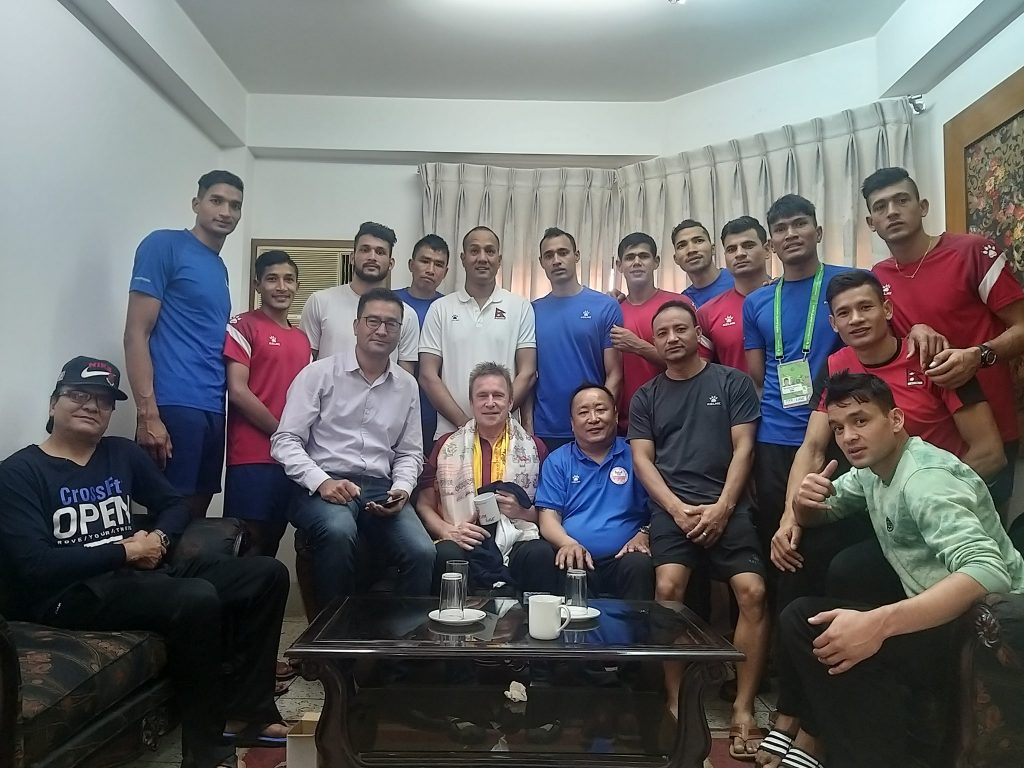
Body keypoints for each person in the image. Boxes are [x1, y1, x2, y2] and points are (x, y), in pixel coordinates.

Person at [0, 356, 290, 768]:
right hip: (67, 596)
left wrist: (156, 539)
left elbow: (174, 504)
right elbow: (34, 565)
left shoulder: (120, 454)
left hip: (133, 574)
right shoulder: (19, 473)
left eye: (103, 401)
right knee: (194, 598)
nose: (91, 406)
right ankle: (206, 751)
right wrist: (126, 551)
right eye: (78, 395)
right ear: (53, 404)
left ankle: (248, 710)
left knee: (266, 574)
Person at [765, 372, 1024, 768]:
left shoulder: (925, 480)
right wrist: (803, 504)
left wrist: (879, 624)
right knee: (812, 611)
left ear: (896, 419)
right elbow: (826, 512)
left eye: (861, 421)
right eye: (838, 427)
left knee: (808, 621)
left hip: (982, 630)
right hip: (940, 612)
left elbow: (989, 572)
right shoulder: (875, 469)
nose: (849, 436)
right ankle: (840, 740)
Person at [629, 301, 768, 759]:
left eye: (680, 329)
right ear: (654, 341)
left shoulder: (732, 382)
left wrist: (723, 508)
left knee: (752, 592)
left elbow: (744, 448)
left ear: (697, 333)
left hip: (728, 505)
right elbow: (643, 460)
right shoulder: (646, 395)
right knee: (668, 587)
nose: (672, 338)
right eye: (662, 333)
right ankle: (674, 701)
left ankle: (743, 707)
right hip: (673, 511)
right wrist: (676, 509)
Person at [866, 166, 1024, 515]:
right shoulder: (878, 278)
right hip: (925, 438)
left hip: (989, 430)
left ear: (922, 207)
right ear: (871, 222)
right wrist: (912, 331)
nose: (892, 212)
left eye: (901, 200)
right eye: (880, 207)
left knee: (984, 536)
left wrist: (978, 356)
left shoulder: (972, 252)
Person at [272, 288, 434, 614]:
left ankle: (401, 643)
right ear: (356, 326)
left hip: (380, 489)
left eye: (391, 324)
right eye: (373, 321)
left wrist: (402, 489)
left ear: (399, 332)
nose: (382, 330)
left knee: (422, 551)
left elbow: (410, 452)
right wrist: (322, 482)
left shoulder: (407, 385)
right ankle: (335, 635)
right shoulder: (318, 374)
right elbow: (285, 440)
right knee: (338, 530)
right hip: (322, 485)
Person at [742, 195, 854, 597]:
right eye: (781, 228)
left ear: (818, 231)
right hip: (775, 438)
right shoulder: (757, 301)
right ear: (770, 243)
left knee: (831, 543)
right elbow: (758, 376)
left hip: (837, 434)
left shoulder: (847, 284)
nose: (791, 234)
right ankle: (784, 628)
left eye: (800, 224)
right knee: (779, 539)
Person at [124, 169, 243, 519]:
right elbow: (135, 333)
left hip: (213, 406)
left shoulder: (219, 268)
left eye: (235, 205)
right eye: (216, 200)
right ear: (196, 203)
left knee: (196, 515)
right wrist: (148, 413)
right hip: (174, 403)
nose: (225, 211)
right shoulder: (163, 245)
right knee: (169, 514)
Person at [415, 362, 557, 593]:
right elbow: (424, 503)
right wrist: (446, 531)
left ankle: (533, 617)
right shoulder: (446, 445)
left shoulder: (534, 447)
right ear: (471, 403)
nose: (490, 403)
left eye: (498, 395)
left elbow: (550, 512)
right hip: (464, 536)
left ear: (510, 402)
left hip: (517, 536)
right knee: (446, 554)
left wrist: (522, 512)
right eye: (482, 396)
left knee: (540, 553)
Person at [223, 250, 311, 557]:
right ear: (257, 284)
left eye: (289, 279)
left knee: (272, 542)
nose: (281, 287)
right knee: (247, 545)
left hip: (290, 461)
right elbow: (238, 390)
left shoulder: (303, 340)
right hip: (251, 457)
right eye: (272, 279)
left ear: (297, 285)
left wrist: (295, 445)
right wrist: (282, 433)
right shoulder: (243, 326)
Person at [535, 383, 654, 600]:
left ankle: (637, 624)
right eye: (583, 413)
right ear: (572, 424)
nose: (593, 418)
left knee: (639, 564)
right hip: (577, 555)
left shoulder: (636, 456)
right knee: (566, 563)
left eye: (600, 410)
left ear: (616, 416)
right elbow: (548, 518)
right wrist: (568, 543)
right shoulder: (558, 461)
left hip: (625, 556)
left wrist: (644, 533)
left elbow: (658, 508)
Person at [419, 226, 537, 438]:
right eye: (474, 251)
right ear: (463, 259)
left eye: (489, 251)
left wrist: (494, 421)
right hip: (451, 434)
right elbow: (428, 375)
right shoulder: (440, 308)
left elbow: (527, 373)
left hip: (505, 435)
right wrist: (466, 426)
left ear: (499, 260)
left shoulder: (520, 307)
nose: (482, 258)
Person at [531, 227, 624, 453]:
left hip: (593, 428)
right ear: (541, 262)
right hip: (546, 429)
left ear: (576, 256)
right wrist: (527, 423)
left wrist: (599, 418)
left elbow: (615, 374)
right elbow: (528, 374)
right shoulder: (531, 311)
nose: (556, 260)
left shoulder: (606, 306)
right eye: (549, 255)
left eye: (563, 253)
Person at [299, 221, 419, 372]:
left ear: (391, 263)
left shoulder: (406, 315)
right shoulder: (320, 302)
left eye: (380, 252)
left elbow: (405, 377)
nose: (372, 257)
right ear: (352, 257)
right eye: (365, 250)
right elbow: (305, 363)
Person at [609, 232, 693, 433]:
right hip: (627, 423)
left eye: (644, 256)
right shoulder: (612, 310)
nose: (637, 262)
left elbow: (694, 365)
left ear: (656, 262)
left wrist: (638, 346)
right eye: (630, 257)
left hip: (678, 418)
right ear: (619, 265)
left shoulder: (679, 304)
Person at [395, 234, 450, 452]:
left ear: (446, 272)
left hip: (436, 413)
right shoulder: (390, 303)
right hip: (392, 408)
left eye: (438, 264)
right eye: (424, 261)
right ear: (411, 264)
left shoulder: (450, 309)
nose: (430, 269)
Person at [697, 216, 773, 373]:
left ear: (767, 250)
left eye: (748, 246)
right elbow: (699, 373)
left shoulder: (786, 297)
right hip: (735, 390)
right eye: (731, 249)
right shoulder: (707, 313)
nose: (740, 254)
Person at [673, 219, 735, 307]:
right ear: (676, 259)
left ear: (713, 249)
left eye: (698, 241)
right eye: (682, 245)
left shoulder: (740, 279)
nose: (691, 250)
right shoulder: (684, 303)